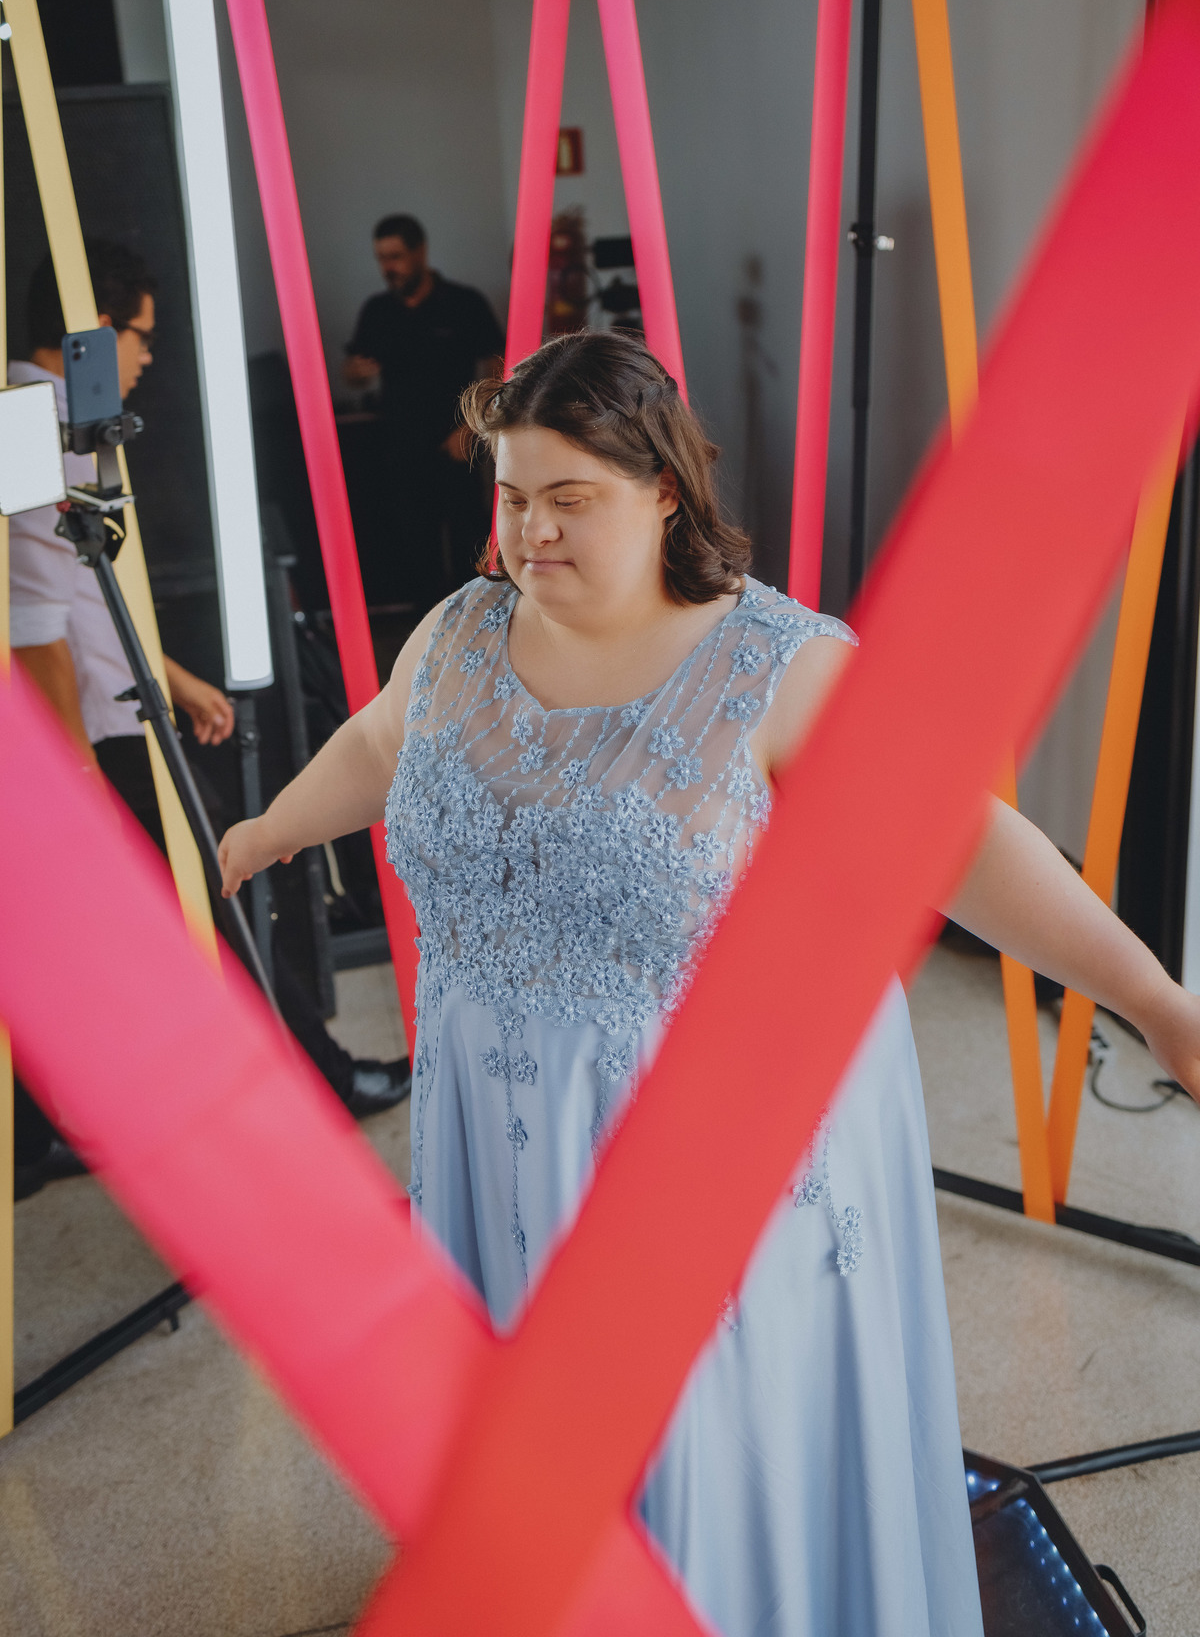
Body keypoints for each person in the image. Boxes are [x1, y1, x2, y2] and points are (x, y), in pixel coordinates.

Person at [219, 331, 1200, 1637]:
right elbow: (377, 744)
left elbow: (967, 846)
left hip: (696, 1159)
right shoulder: (458, 635)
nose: (532, 533)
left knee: (700, 1460)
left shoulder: (780, 668)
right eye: (513, 496)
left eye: (571, 500)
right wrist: (263, 834)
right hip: (499, 1144)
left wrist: (1157, 1002)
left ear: (664, 492)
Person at [8, 242, 409, 1198]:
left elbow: (84, 598)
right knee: (220, 900)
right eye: (141, 336)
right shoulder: (33, 429)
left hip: (111, 708)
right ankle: (321, 1082)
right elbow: (33, 628)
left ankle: (33, 1135)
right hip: (94, 737)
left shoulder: (51, 420)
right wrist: (78, 782)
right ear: (95, 331)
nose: (148, 357)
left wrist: (176, 679)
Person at [343, 213, 503, 610]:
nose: (388, 267)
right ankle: (428, 632)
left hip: (459, 443)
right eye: (382, 258)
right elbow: (352, 371)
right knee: (416, 548)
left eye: (396, 257)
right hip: (402, 447)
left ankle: (479, 624)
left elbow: (499, 367)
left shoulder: (463, 303)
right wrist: (356, 374)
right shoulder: (378, 310)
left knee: (471, 542)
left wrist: (473, 427)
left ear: (420, 252)